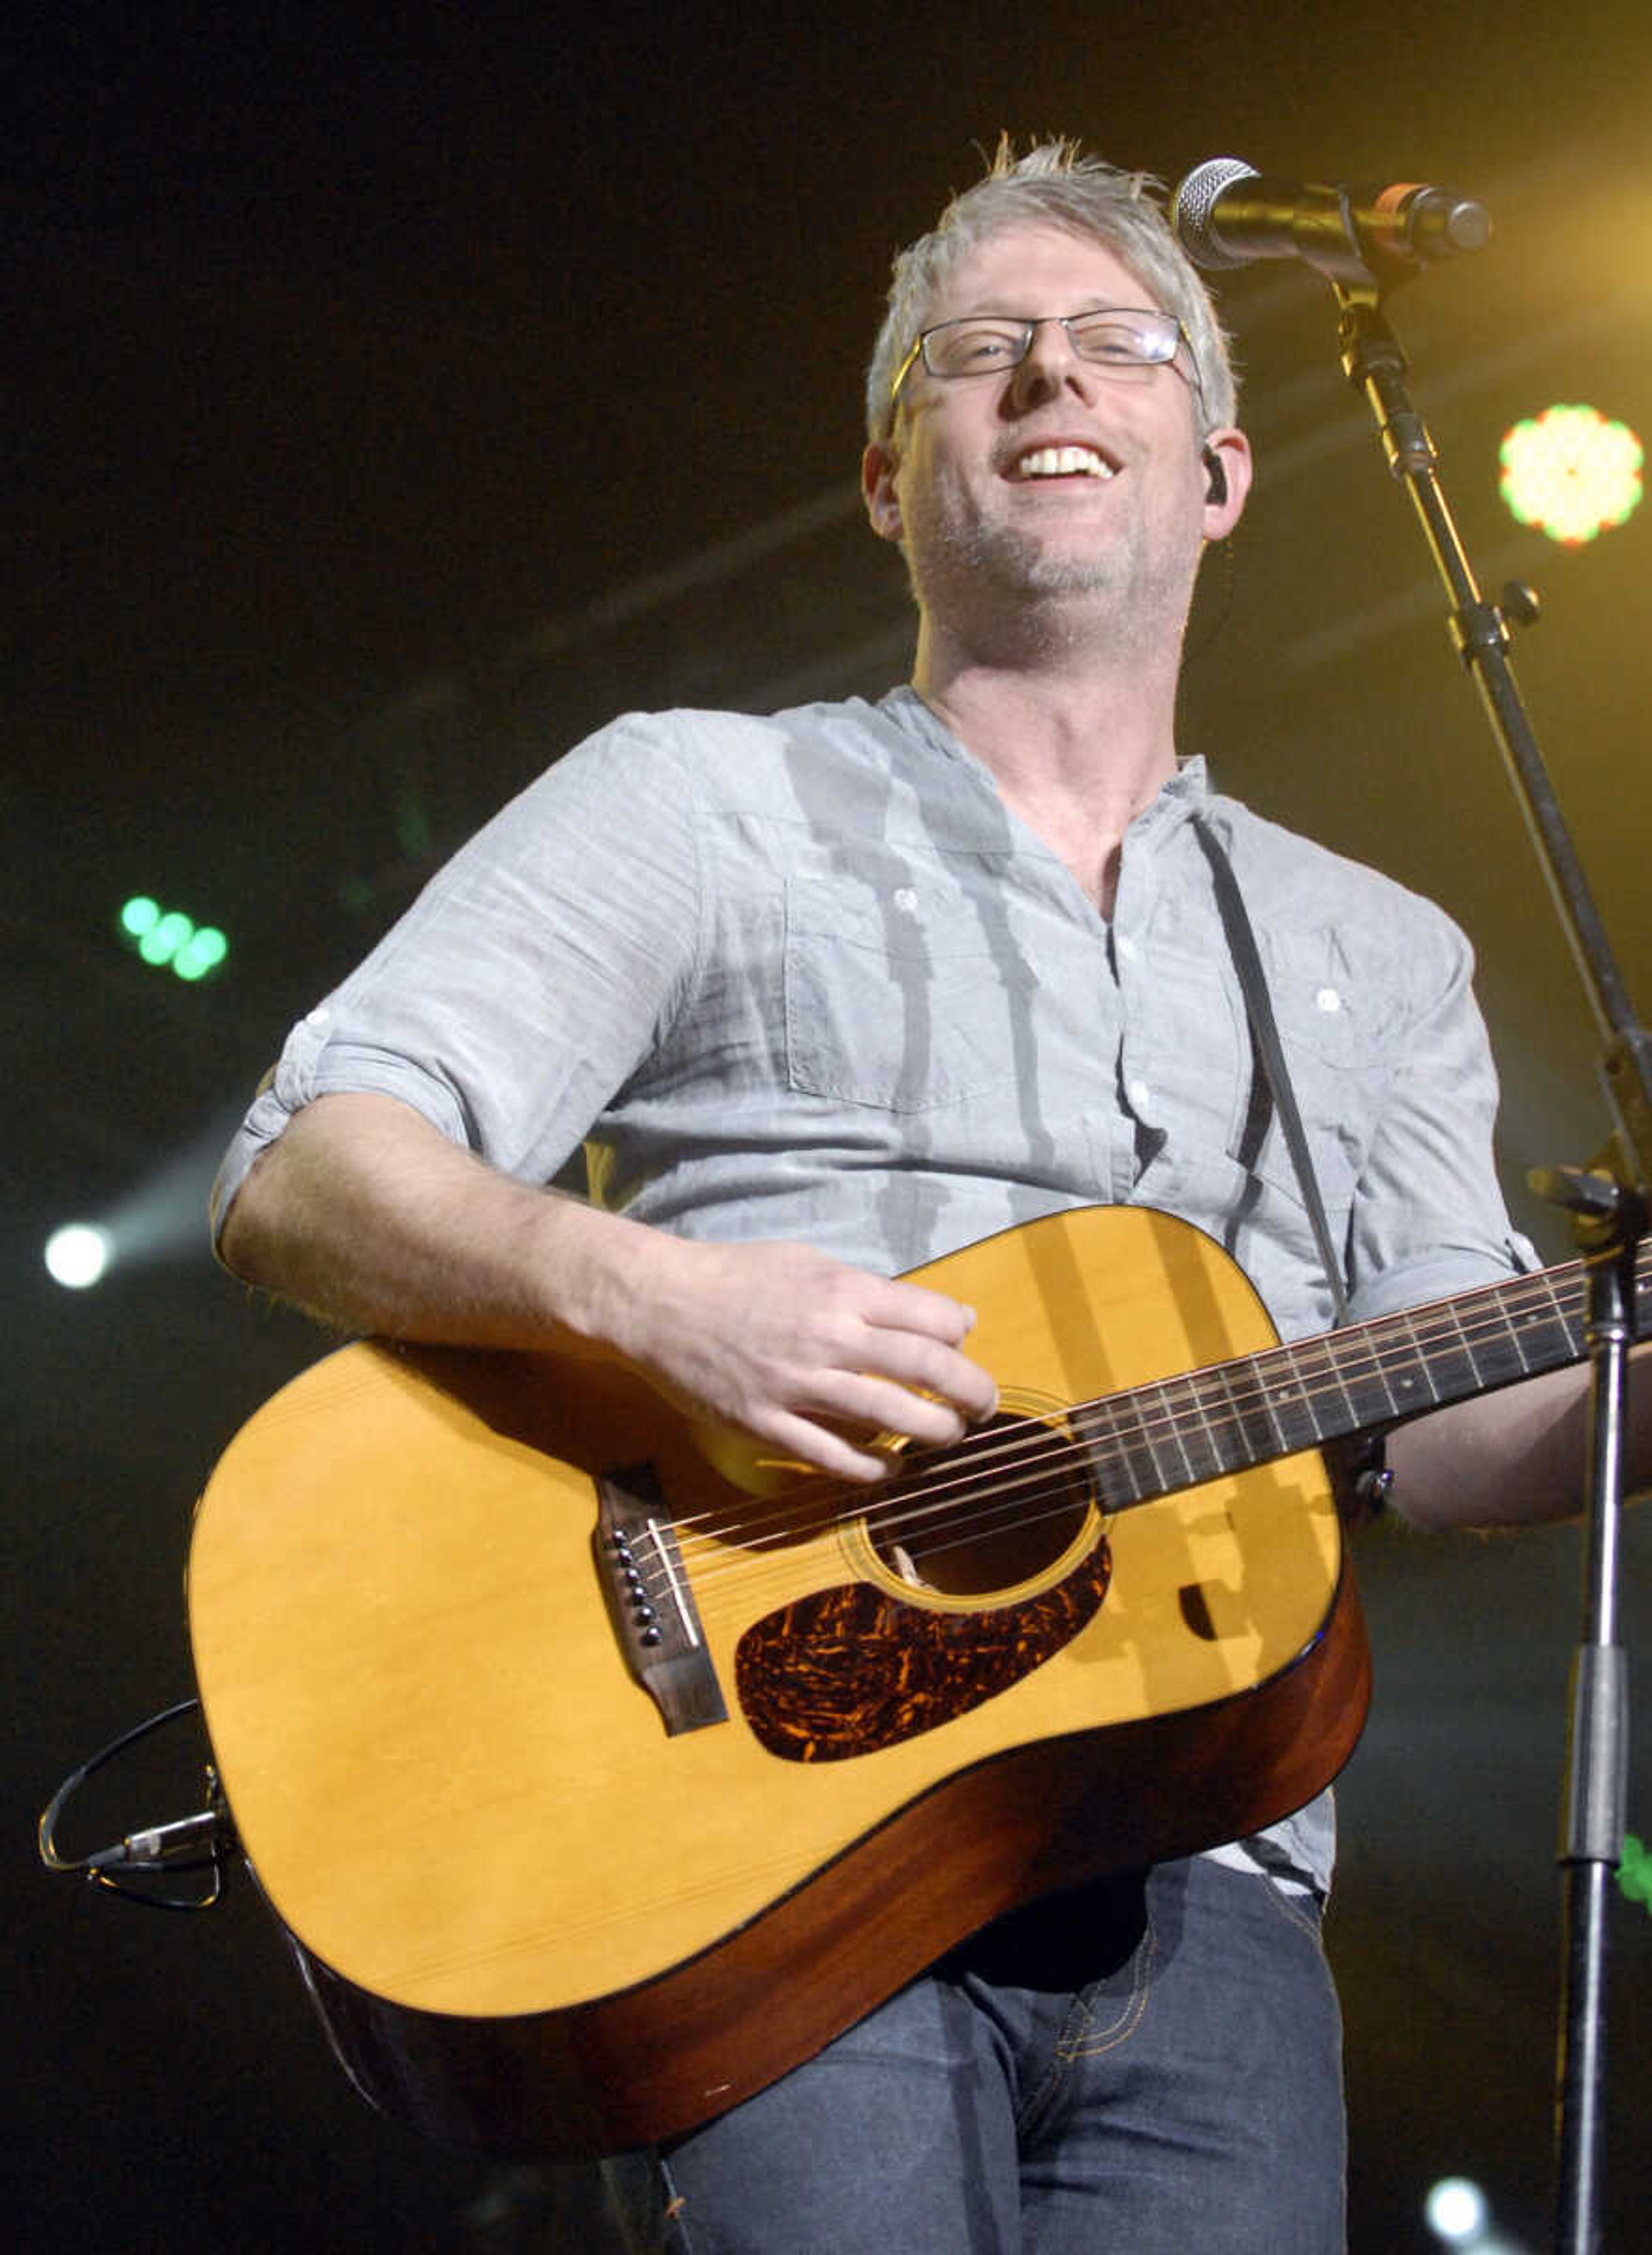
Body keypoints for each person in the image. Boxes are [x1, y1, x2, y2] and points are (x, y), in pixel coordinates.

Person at [212, 141, 1647, 2254]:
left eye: (1116, 347)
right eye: (981, 355)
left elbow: (1446, 1428)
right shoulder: (698, 798)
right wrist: (652, 1299)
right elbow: (306, 1164)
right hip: (769, 1835)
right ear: (892, 479)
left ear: (1223, 469)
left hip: (1216, 1858)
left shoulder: (1381, 953)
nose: (1052, 379)